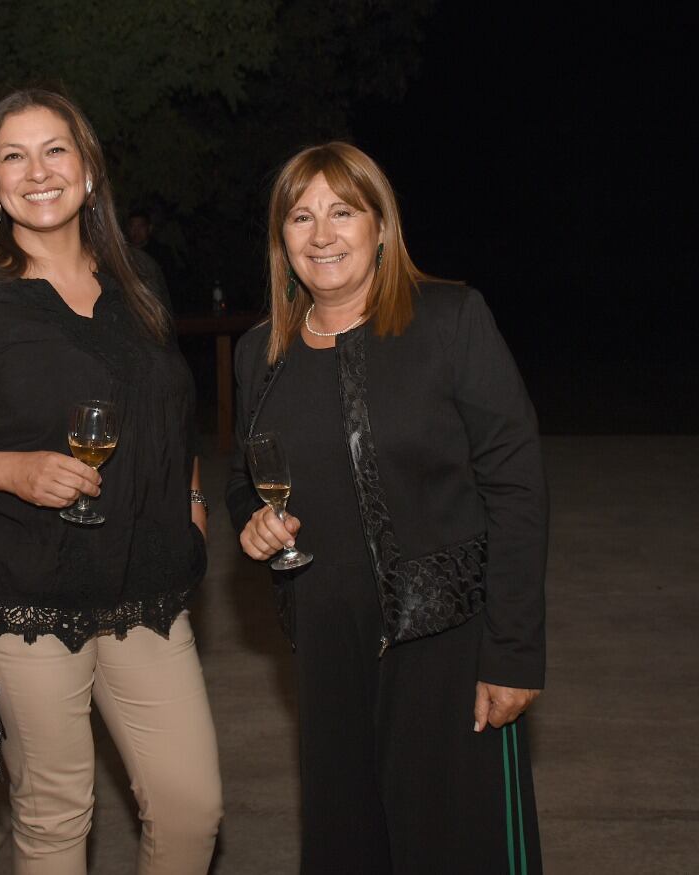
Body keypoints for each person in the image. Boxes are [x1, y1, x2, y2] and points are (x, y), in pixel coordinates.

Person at [0, 89, 222, 874]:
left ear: (89, 171)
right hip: (20, 592)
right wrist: (14, 470)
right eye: (14, 156)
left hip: (144, 586)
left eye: (55, 150)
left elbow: (172, 412)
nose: (38, 171)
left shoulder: (141, 278)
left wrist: (194, 510)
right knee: (56, 814)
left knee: (191, 805)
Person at [227, 141, 546, 874]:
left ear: (380, 226)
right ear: (282, 241)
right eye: (300, 217)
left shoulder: (451, 320)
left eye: (343, 211)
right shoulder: (259, 354)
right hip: (326, 645)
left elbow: (517, 486)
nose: (321, 234)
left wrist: (514, 651)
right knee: (347, 846)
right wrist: (253, 521)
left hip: (449, 645)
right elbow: (246, 477)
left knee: (461, 851)